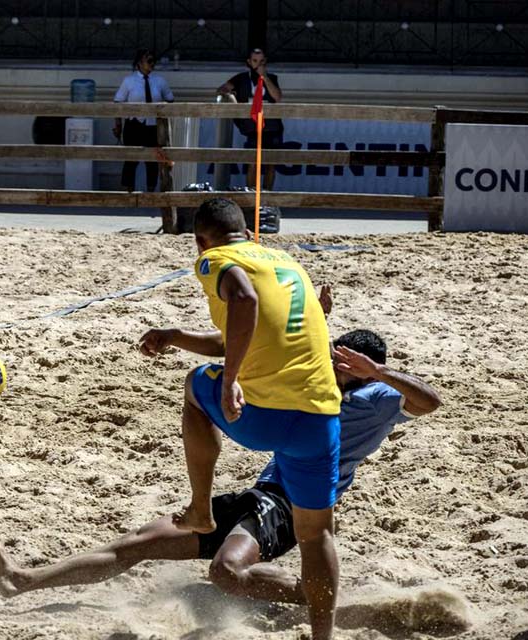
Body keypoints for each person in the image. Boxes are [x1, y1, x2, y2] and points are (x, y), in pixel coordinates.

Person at [0, 327, 441, 616]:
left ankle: (317, 598)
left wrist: (378, 370)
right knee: (139, 542)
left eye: (342, 361)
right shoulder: (311, 379)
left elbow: (431, 402)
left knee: (226, 573)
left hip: (294, 506)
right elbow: (235, 343)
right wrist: (173, 337)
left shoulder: (379, 398)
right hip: (261, 493)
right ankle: (26, 580)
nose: (332, 363)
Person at [164, 197, 341, 638]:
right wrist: (174, 335)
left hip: (264, 413)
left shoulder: (214, 260)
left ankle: (201, 509)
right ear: (248, 231)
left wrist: (229, 382)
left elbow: (242, 299)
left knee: (192, 386)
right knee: (317, 536)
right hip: (320, 413)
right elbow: (246, 331)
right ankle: (323, 635)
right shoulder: (286, 261)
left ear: (200, 240)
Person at [217, 48, 284, 190]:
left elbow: (277, 97)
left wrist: (264, 77)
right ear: (249, 62)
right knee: (252, 163)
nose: (258, 64)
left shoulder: (272, 77)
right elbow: (222, 90)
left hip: (271, 127)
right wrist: (233, 98)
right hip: (252, 127)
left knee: (271, 164)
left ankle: (267, 198)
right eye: (254, 61)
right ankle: (252, 196)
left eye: (261, 61)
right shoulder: (241, 78)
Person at [113, 49, 174, 192]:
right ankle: (129, 191)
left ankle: (151, 190)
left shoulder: (159, 81)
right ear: (140, 63)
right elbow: (118, 102)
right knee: (131, 159)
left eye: (154, 61)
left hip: (153, 125)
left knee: (152, 160)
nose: (152, 64)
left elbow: (170, 100)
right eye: (149, 61)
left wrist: (162, 113)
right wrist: (118, 124)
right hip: (134, 123)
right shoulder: (129, 81)